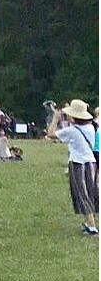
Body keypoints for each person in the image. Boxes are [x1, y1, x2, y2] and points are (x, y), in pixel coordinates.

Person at [46, 100, 99, 235]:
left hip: (77, 164)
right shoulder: (90, 128)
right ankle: (89, 222)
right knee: (91, 192)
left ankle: (92, 225)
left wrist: (55, 119)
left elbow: (50, 133)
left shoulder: (72, 131)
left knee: (82, 194)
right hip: (91, 163)